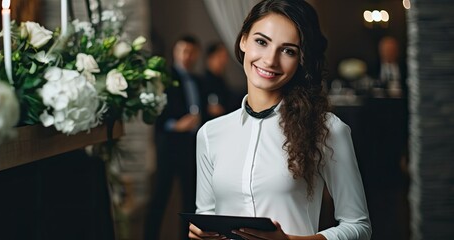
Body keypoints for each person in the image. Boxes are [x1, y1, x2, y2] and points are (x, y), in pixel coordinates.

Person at [188, 0, 372, 239]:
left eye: (288, 50)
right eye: (261, 42)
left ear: (301, 60)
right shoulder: (210, 134)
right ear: (244, 40)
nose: (270, 60)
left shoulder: (327, 129)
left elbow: (358, 226)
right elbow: (206, 216)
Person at [145, 35, 207, 240]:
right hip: (170, 146)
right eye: (183, 51)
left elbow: (204, 111)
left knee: (190, 200)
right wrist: (176, 125)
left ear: (196, 54)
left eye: (191, 52)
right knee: (160, 196)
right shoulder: (164, 79)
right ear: (175, 52)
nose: (187, 56)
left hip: (192, 147)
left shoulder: (199, 81)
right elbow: (156, 113)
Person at [201, 42, 235, 119]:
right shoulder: (203, 81)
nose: (223, 61)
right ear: (210, 58)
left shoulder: (221, 80)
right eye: (220, 56)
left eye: (225, 57)